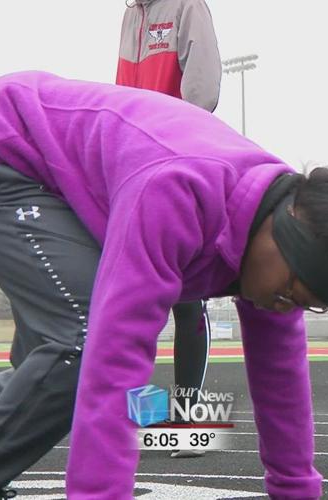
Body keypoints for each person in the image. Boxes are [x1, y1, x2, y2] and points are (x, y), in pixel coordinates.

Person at [0, 71, 328, 499]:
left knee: (55, 365)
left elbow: (281, 385)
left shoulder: (281, 250)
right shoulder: (178, 193)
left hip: (65, 178)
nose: (282, 306)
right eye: (288, 292)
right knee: (81, 341)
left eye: (305, 306)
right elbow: (118, 363)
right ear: (280, 235)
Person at [116, 0, 223, 459]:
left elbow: (203, 89)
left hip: (177, 162)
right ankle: (143, 417)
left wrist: (177, 148)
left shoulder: (186, 6)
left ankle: (190, 420)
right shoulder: (129, 15)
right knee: (131, 301)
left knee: (186, 297)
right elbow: (120, 94)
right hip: (132, 167)